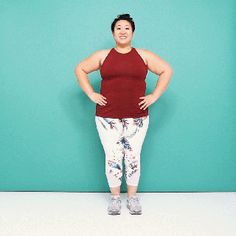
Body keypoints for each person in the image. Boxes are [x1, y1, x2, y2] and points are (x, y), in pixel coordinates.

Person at [74, 13, 173, 215]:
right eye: (118, 27)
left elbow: (166, 70)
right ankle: (115, 199)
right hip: (107, 117)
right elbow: (80, 69)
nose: (122, 31)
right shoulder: (103, 55)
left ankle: (133, 198)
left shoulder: (143, 55)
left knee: (133, 156)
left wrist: (153, 96)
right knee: (112, 156)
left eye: (126, 27)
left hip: (137, 117)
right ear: (113, 32)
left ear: (133, 32)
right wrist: (91, 93)